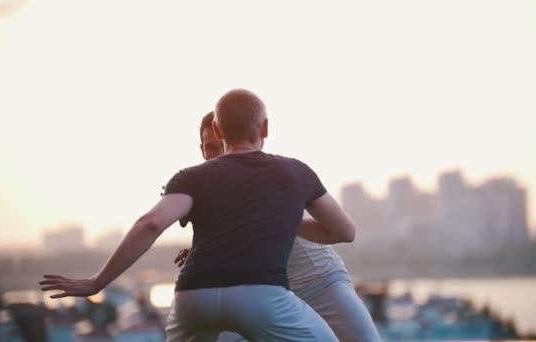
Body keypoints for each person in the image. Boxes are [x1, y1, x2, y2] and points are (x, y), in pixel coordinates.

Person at [39, 89, 356, 341]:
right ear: (265, 127)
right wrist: (286, 221)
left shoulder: (189, 177)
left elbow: (151, 223)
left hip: (193, 296)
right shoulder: (295, 172)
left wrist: (97, 282)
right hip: (260, 296)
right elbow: (344, 232)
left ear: (217, 129)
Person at [173, 111, 382, 342]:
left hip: (319, 282)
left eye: (221, 145)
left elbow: (343, 231)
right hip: (260, 297)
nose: (216, 154)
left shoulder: (275, 173)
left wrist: (278, 218)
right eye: (209, 147)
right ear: (201, 150)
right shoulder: (203, 187)